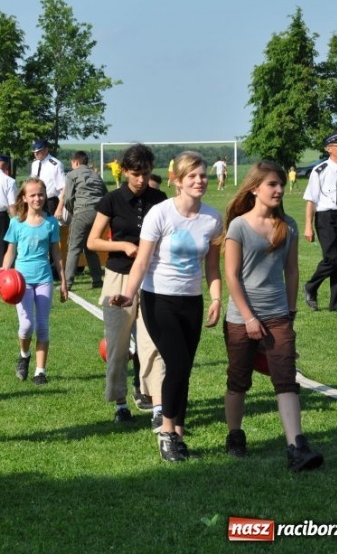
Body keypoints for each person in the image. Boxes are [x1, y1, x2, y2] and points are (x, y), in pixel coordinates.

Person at [110, 152, 223, 462]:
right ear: (177, 181)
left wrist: (215, 298)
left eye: (203, 176)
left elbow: (213, 267)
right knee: (176, 365)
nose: (200, 181)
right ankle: (166, 432)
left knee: (183, 370)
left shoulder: (213, 219)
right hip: (159, 300)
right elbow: (142, 261)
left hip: (192, 302)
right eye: (193, 176)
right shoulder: (160, 214)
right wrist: (130, 294)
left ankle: (178, 435)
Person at [221, 161, 323, 472]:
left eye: (280, 184)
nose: (279, 190)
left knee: (286, 379)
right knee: (239, 380)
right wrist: (250, 318)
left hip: (278, 315)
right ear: (254, 189)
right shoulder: (238, 226)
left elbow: (292, 272)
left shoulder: (288, 225)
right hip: (241, 318)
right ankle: (235, 436)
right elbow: (232, 277)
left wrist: (290, 311)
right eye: (272, 185)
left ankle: (296, 447)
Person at [88, 144, 167, 425]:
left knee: (153, 343)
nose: (141, 180)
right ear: (124, 172)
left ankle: (157, 406)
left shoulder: (160, 199)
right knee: (118, 346)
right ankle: (120, 404)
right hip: (118, 278)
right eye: (136, 174)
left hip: (152, 278)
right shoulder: (111, 200)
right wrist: (123, 245)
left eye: (145, 174)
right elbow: (93, 241)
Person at [2, 178, 67, 386]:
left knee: (42, 326)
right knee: (26, 325)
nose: (37, 198)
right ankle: (24, 354)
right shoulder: (16, 223)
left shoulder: (50, 223)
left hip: (44, 279)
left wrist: (63, 280)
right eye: (32, 195)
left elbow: (56, 253)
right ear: (24, 198)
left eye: (40, 194)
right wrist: (4, 275)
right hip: (21, 281)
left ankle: (40, 371)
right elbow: (10, 251)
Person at [302, 132, 337, 314]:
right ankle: (311, 286)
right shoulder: (319, 171)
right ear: (328, 149)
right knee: (332, 258)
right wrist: (308, 225)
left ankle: (336, 304)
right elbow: (311, 201)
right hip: (326, 217)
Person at [63, 151, 107, 290]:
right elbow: (106, 195)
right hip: (99, 213)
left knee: (73, 247)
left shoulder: (72, 175)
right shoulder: (97, 175)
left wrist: (73, 211)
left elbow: (68, 198)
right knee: (90, 247)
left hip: (82, 211)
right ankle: (97, 280)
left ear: (75, 162)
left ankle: (68, 282)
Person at [30, 140, 66, 220]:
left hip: (50, 202)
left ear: (46, 150)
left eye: (39, 151)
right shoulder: (35, 164)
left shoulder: (55, 165)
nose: (36, 154)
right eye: (34, 152)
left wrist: (60, 208)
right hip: (36, 200)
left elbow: (63, 188)